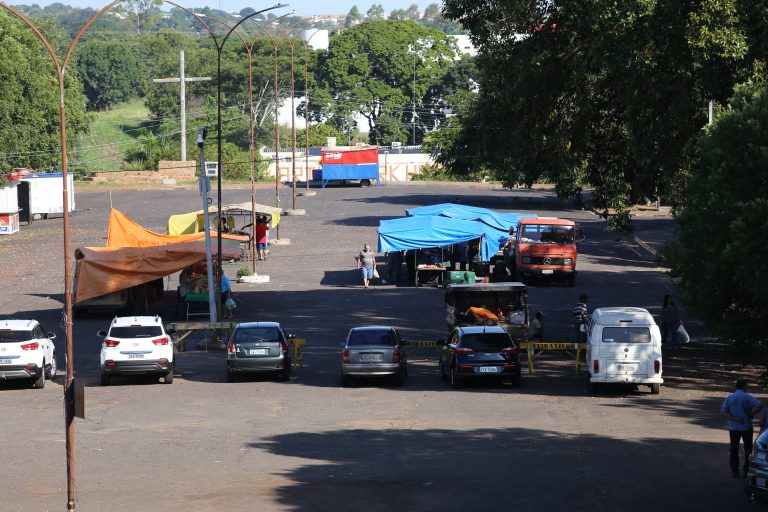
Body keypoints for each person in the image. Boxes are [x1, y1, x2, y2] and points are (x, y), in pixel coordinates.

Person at [721, 379, 762, 477]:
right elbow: (759, 405)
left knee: (734, 449)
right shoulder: (747, 397)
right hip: (746, 427)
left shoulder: (730, 397)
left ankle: (735, 471)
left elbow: (723, 411)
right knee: (748, 450)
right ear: (744, 386)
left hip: (734, 427)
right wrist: (752, 413)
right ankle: (746, 471)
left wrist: (734, 418)